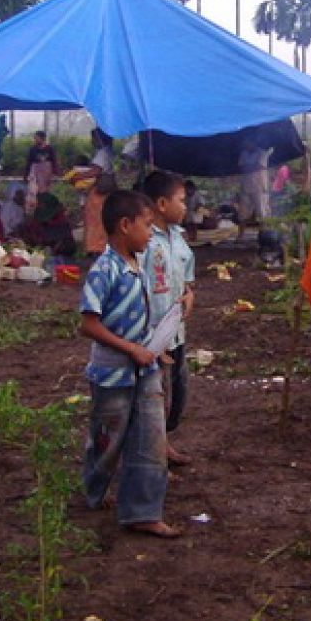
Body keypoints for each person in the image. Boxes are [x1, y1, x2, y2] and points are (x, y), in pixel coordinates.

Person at [79, 189, 178, 538]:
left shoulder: (139, 265)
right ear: (125, 225)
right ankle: (93, 489)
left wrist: (153, 347)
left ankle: (142, 511)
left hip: (146, 369)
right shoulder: (104, 270)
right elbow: (88, 324)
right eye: (147, 225)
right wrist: (130, 349)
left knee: (151, 438)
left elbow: (143, 314)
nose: (151, 233)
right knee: (108, 441)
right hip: (112, 373)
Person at [141, 172, 196, 468]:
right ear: (162, 203)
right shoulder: (145, 242)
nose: (186, 207)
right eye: (181, 201)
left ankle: (162, 441)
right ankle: (153, 450)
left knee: (178, 390)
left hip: (177, 331)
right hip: (153, 333)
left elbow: (186, 279)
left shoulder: (179, 238)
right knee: (155, 392)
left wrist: (189, 295)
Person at [237, 140, 271, 226]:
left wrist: (248, 167)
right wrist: (251, 166)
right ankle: (241, 235)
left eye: (247, 143)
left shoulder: (262, 153)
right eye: (245, 143)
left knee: (261, 211)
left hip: (259, 186)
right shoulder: (243, 153)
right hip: (245, 185)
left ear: (253, 142)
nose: (245, 145)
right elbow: (241, 167)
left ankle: (264, 233)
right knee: (243, 212)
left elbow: (259, 166)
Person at [25, 130, 59, 196]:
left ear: (42, 138)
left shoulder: (49, 149)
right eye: (34, 138)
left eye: (36, 138)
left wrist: (55, 173)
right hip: (35, 172)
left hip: (46, 173)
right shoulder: (32, 149)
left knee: (45, 190)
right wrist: (26, 175)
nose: (34, 140)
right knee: (33, 189)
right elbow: (29, 162)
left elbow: (54, 161)